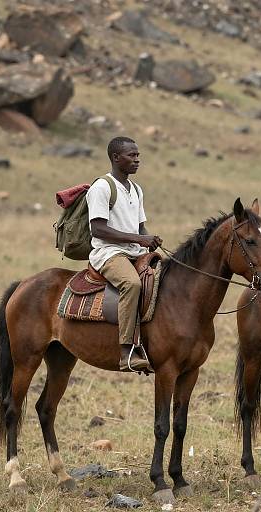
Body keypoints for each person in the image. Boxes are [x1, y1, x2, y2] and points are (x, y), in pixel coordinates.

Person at [86, 136, 162, 372]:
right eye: (132, 155)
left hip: (134, 251)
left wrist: (149, 240)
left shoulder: (136, 189)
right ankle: (126, 349)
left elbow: (139, 228)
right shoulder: (102, 187)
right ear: (115, 157)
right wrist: (140, 239)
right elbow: (98, 228)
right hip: (109, 253)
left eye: (138, 155)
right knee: (132, 284)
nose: (137, 160)